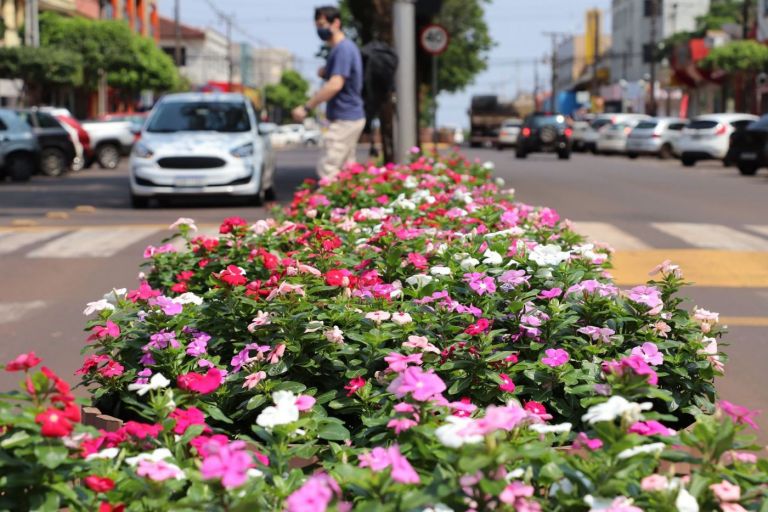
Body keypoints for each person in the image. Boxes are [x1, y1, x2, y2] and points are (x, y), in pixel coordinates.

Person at [292, 6, 366, 181]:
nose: (320, 29)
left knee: (329, 169)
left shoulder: (343, 49)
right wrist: (325, 72)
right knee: (347, 171)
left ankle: (325, 207)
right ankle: (347, 207)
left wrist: (306, 107)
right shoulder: (341, 50)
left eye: (323, 24)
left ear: (336, 23)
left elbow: (335, 85)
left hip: (345, 118)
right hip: (350, 116)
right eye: (317, 25)